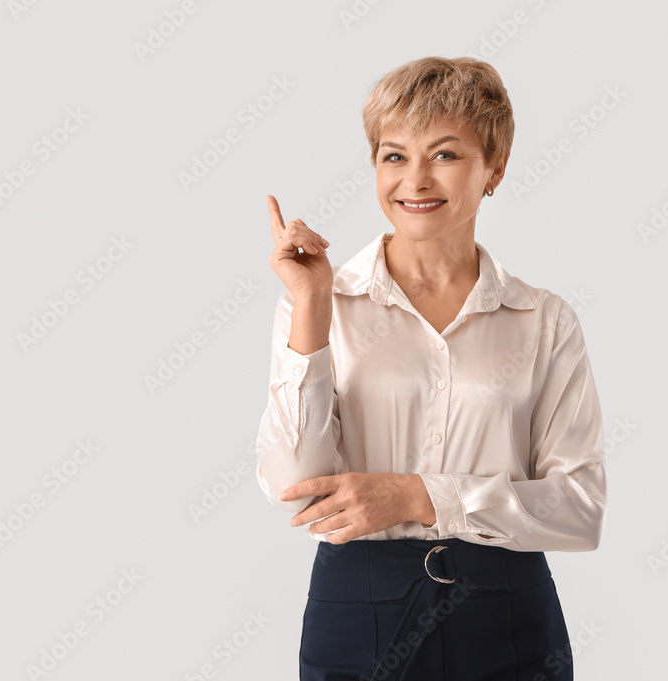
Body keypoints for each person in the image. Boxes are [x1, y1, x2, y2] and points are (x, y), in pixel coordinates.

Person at [255, 56, 607, 681]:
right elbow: (295, 483)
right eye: (394, 156)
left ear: (494, 167)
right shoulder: (319, 302)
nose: (415, 179)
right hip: (357, 610)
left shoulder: (543, 320)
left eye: (444, 154)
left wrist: (418, 495)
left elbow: (579, 509)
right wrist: (310, 303)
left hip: (509, 614)